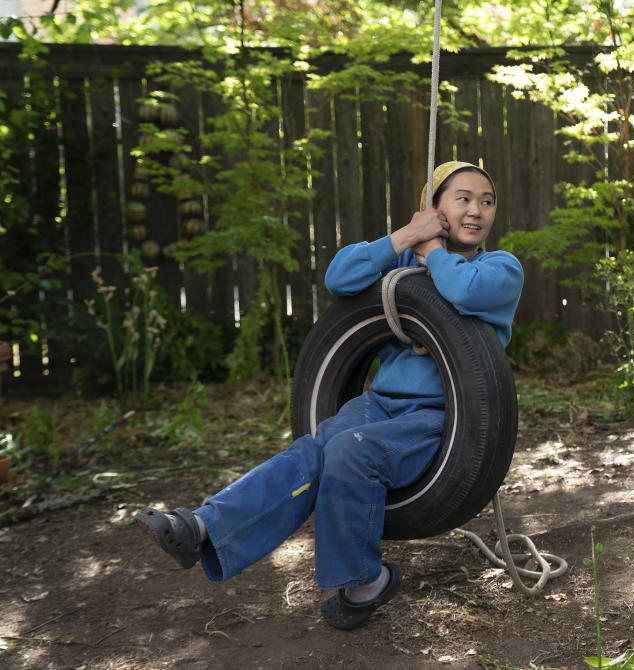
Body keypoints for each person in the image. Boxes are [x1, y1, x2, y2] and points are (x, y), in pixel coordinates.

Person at [136, 161, 524, 630]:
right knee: (312, 450)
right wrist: (405, 238)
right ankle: (202, 528)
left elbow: (462, 290)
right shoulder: (401, 265)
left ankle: (362, 581)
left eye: (487, 201)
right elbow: (339, 279)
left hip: (442, 416)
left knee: (349, 449)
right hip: (379, 403)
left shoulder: (500, 268)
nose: (476, 209)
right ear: (433, 206)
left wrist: (434, 251)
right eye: (463, 197)